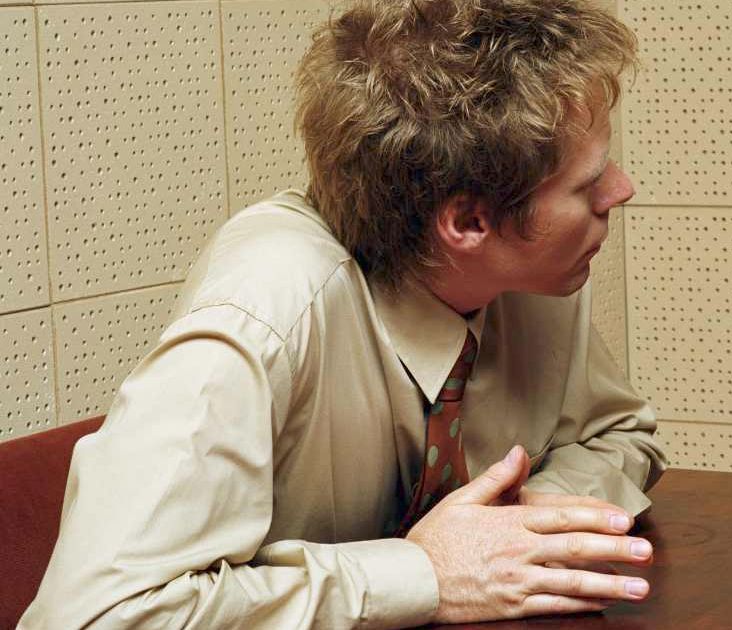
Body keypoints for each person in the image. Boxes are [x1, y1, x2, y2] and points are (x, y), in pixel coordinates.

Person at [19, 0, 666, 627]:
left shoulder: (534, 270)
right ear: (469, 221)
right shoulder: (267, 310)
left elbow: (616, 433)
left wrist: (526, 521)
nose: (622, 190)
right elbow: (96, 616)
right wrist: (422, 575)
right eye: (588, 183)